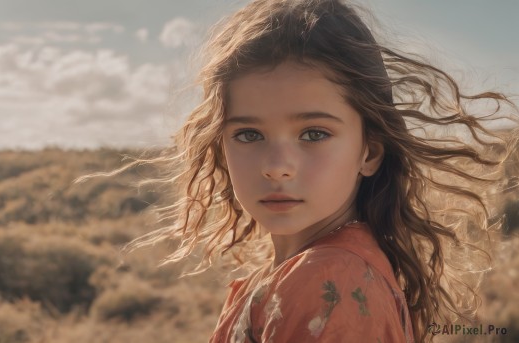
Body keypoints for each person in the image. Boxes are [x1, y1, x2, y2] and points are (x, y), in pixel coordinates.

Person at [77, 0, 519, 342]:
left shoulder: (328, 281)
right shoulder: (326, 269)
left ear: (370, 152)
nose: (276, 168)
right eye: (249, 135)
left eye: (313, 134)